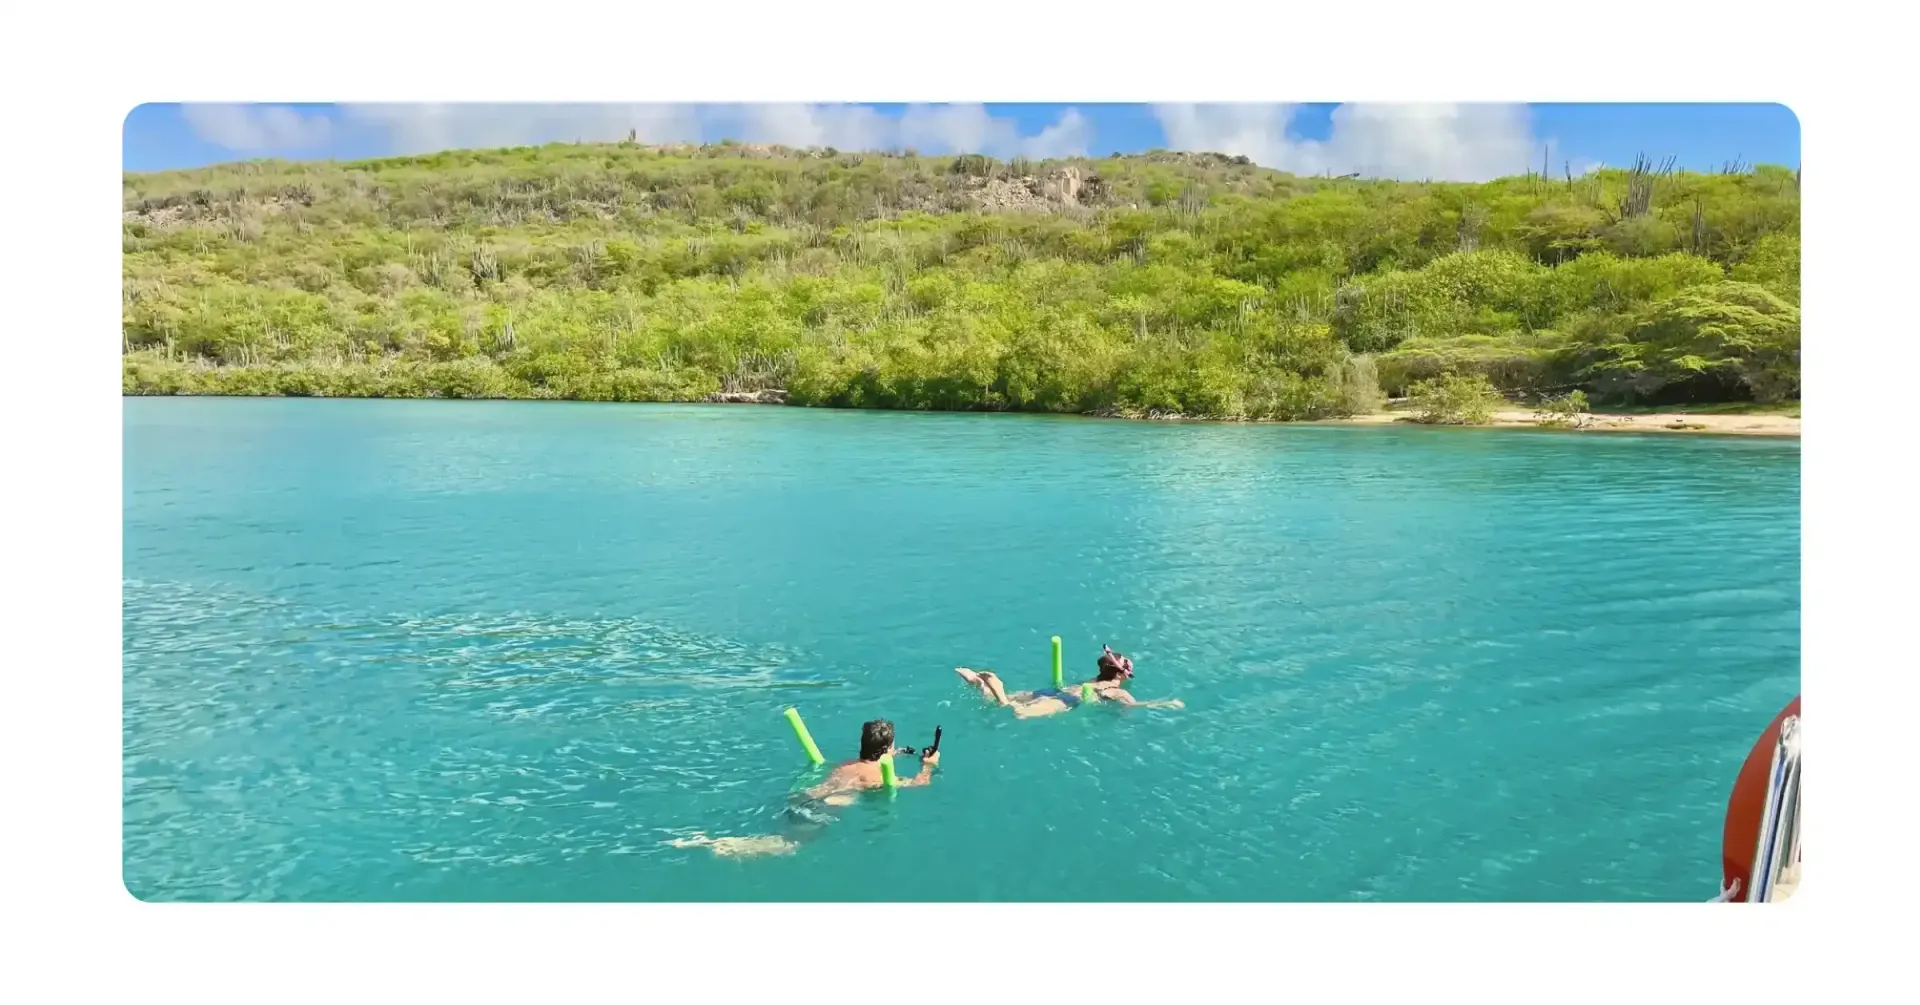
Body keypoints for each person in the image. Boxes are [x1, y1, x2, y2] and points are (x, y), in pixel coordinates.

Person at [665, 719, 939, 858]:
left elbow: (875, 761)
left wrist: (898, 753)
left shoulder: (849, 764)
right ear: (885, 750)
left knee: (780, 832)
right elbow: (917, 785)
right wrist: (928, 765)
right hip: (821, 810)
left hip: (804, 797)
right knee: (786, 845)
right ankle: (717, 845)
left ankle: (716, 840)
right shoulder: (875, 775)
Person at [955, 644, 1183, 719]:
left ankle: (979, 682)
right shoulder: (1115, 690)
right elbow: (1133, 705)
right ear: (1122, 675)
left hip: (1056, 690)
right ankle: (998, 689)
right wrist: (1165, 703)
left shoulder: (1094, 679)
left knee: (1016, 698)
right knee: (1017, 712)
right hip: (1068, 700)